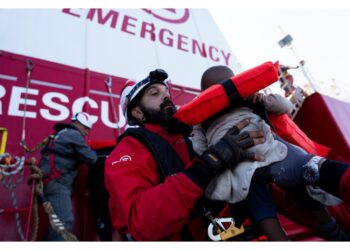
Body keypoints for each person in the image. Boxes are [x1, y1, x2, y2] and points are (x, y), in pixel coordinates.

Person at [192, 65, 349, 241]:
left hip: (258, 156)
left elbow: (284, 106)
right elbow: (200, 147)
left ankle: (332, 231)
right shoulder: (202, 119)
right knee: (298, 173)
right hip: (251, 160)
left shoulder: (242, 102)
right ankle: (333, 232)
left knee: (294, 184)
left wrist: (261, 99)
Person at [104, 69, 265, 241]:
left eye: (166, 92)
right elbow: (142, 221)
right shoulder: (127, 152)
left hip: (230, 228)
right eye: (154, 93)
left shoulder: (192, 131)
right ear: (138, 113)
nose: (166, 96)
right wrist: (208, 164)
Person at [39, 112, 98, 241]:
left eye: (89, 128)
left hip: (49, 182)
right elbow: (92, 159)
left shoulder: (60, 134)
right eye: (86, 127)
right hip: (58, 184)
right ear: (76, 123)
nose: (87, 132)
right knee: (63, 223)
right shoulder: (74, 135)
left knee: (56, 224)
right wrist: (94, 151)